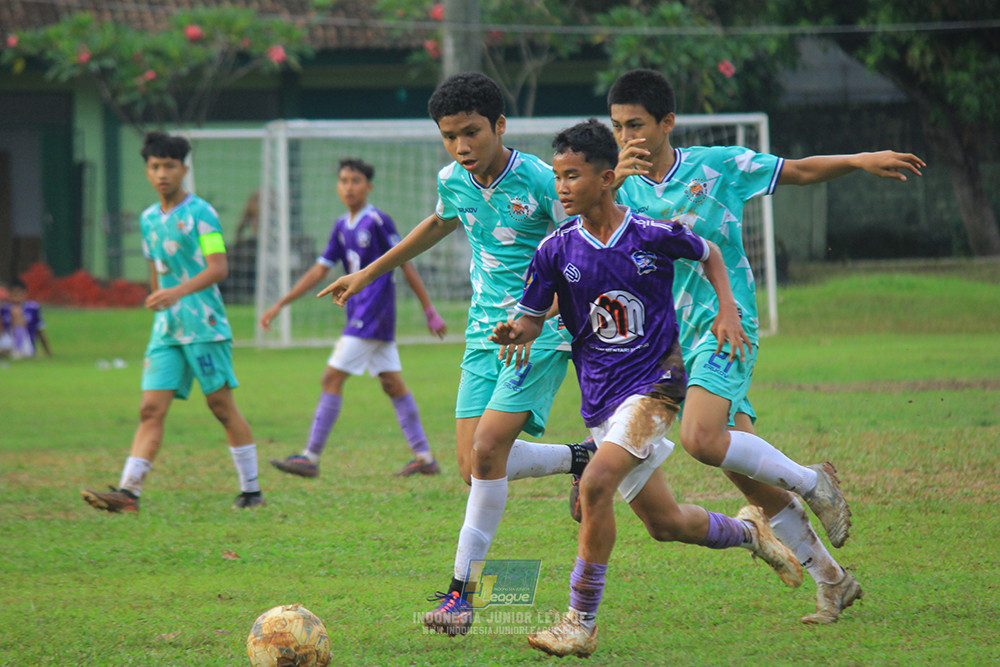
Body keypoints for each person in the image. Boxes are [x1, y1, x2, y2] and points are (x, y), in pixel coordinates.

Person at [604, 68, 924, 623]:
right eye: (616, 126)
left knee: (701, 439)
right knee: (750, 476)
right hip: (665, 344)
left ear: (667, 124)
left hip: (726, 324)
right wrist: (611, 185)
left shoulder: (718, 166)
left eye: (636, 124)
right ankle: (834, 581)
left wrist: (858, 160)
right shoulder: (615, 189)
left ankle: (813, 480)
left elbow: (796, 171)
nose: (626, 136)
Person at [491, 119, 802, 658]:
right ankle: (752, 534)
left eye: (572, 176)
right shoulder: (554, 249)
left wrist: (727, 307)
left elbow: (709, 252)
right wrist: (515, 331)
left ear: (607, 178)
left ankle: (579, 623)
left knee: (594, 486)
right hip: (601, 400)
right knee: (666, 523)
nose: (561, 187)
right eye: (558, 177)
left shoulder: (649, 232)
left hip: (656, 386)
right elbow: (533, 319)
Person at [318, 72, 596, 635]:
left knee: (491, 450)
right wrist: (370, 273)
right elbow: (440, 222)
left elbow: (579, 247)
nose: (461, 147)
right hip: (482, 334)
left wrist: (541, 315)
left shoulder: (543, 181)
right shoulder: (455, 178)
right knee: (474, 469)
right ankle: (580, 458)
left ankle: (460, 597)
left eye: (471, 133)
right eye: (449, 136)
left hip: (539, 333)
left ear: (498, 125)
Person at [82, 131, 265, 514]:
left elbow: (218, 268)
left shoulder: (202, 214)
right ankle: (129, 494)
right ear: (147, 171)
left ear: (184, 168)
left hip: (204, 325)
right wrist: (159, 296)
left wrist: (175, 293)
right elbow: (155, 274)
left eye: (169, 166)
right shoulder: (149, 220)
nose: (161, 173)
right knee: (150, 409)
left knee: (220, 406)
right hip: (166, 329)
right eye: (154, 167)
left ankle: (252, 491)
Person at [261, 157, 448, 477]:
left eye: (356, 181)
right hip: (361, 313)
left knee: (331, 378)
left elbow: (406, 261)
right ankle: (424, 457)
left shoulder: (377, 220)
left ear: (368, 186)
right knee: (392, 383)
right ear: (338, 186)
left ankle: (310, 456)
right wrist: (283, 302)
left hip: (373, 313)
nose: (349, 187)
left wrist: (429, 309)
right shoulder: (340, 226)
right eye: (344, 181)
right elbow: (320, 270)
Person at [0, 279, 51, 359]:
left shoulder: (32, 308)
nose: (16, 296)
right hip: (9, 338)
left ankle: (19, 350)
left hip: (26, 341)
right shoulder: (4, 309)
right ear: (9, 294)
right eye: (14, 293)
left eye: (19, 293)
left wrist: (48, 351)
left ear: (25, 293)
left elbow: (40, 330)